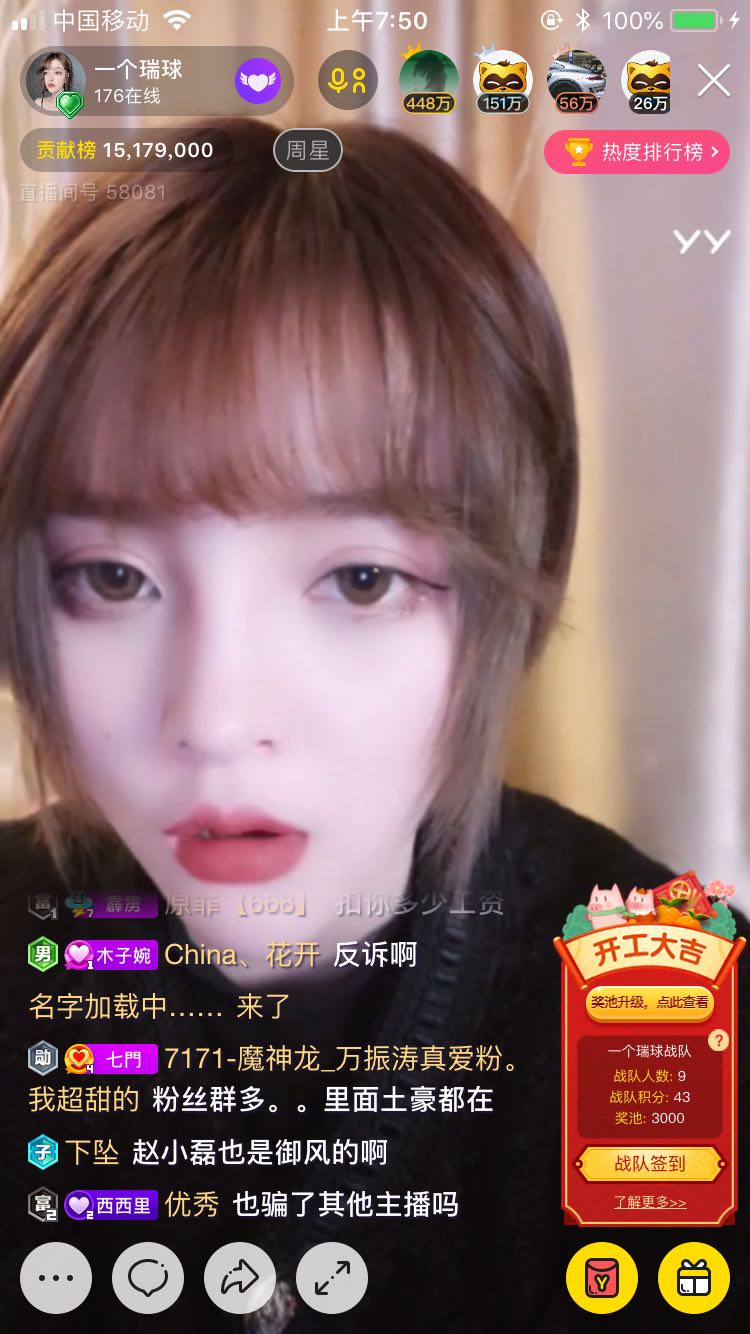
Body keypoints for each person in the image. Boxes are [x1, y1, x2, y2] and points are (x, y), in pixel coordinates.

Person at [0, 119, 746, 1332]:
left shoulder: (671, 1008)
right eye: (113, 578)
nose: (217, 719)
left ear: (508, 595)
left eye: (359, 579)